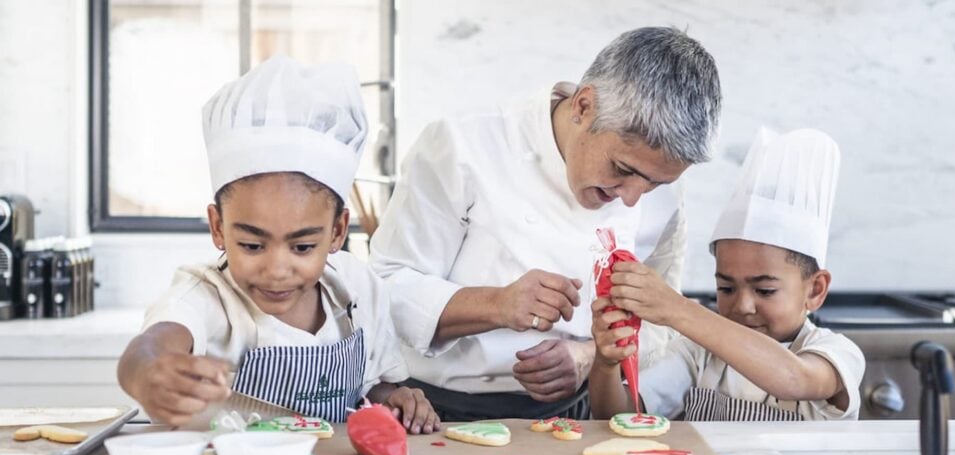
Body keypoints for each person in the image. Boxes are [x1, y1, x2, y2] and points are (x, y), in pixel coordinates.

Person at [369, 27, 722, 421]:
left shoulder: (667, 194)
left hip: (578, 414)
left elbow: (660, 320)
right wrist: (498, 304)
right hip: (437, 410)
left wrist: (590, 357)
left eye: (656, 183)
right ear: (583, 106)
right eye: (622, 169)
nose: (633, 197)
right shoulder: (463, 146)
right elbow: (386, 288)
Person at [117, 55, 440, 433]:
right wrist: (146, 373)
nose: (276, 270)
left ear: (337, 232)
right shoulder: (204, 297)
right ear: (218, 227)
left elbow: (375, 387)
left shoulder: (358, 288)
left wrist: (395, 399)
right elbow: (146, 351)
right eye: (252, 245)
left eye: (302, 247)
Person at [589, 128, 865, 421]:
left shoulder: (836, 353)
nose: (743, 306)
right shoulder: (699, 354)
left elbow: (794, 379)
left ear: (815, 289)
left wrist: (675, 308)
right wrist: (605, 365)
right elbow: (619, 416)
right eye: (726, 288)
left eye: (765, 290)